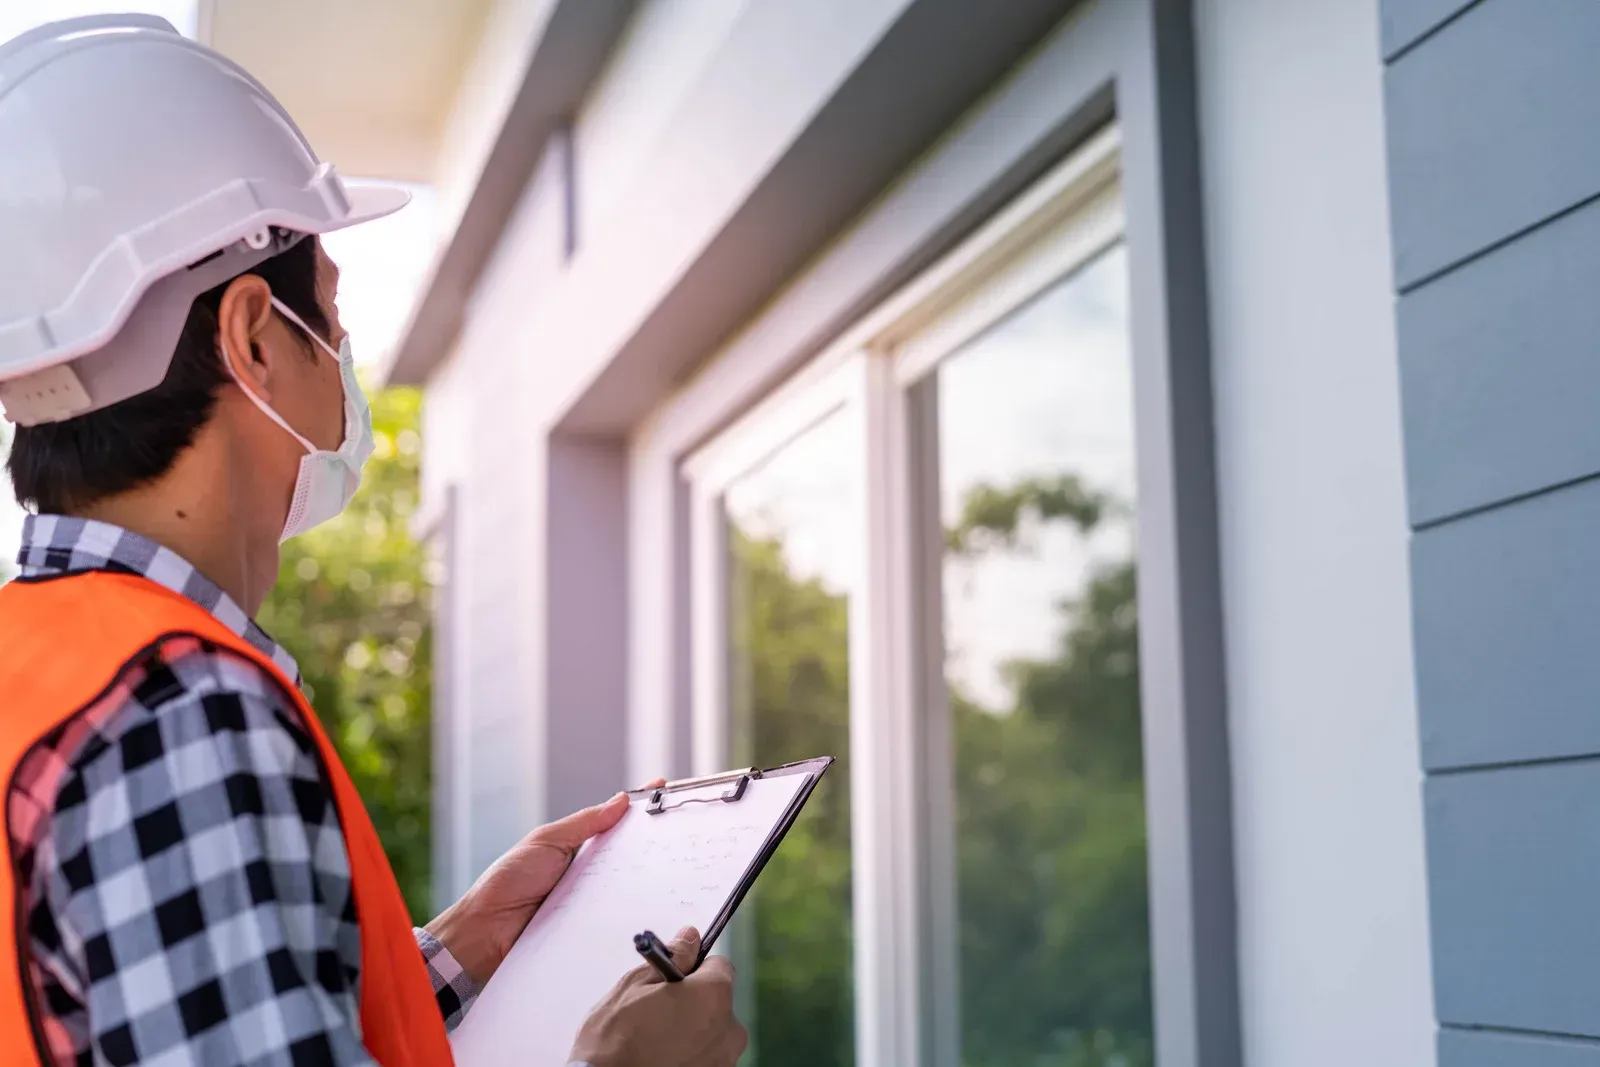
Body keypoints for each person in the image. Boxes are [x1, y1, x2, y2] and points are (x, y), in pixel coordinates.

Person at [0, 15, 745, 1067]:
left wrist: (453, 950)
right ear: (255, 336)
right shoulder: (177, 711)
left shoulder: (39, 672)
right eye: (332, 319)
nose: (343, 355)